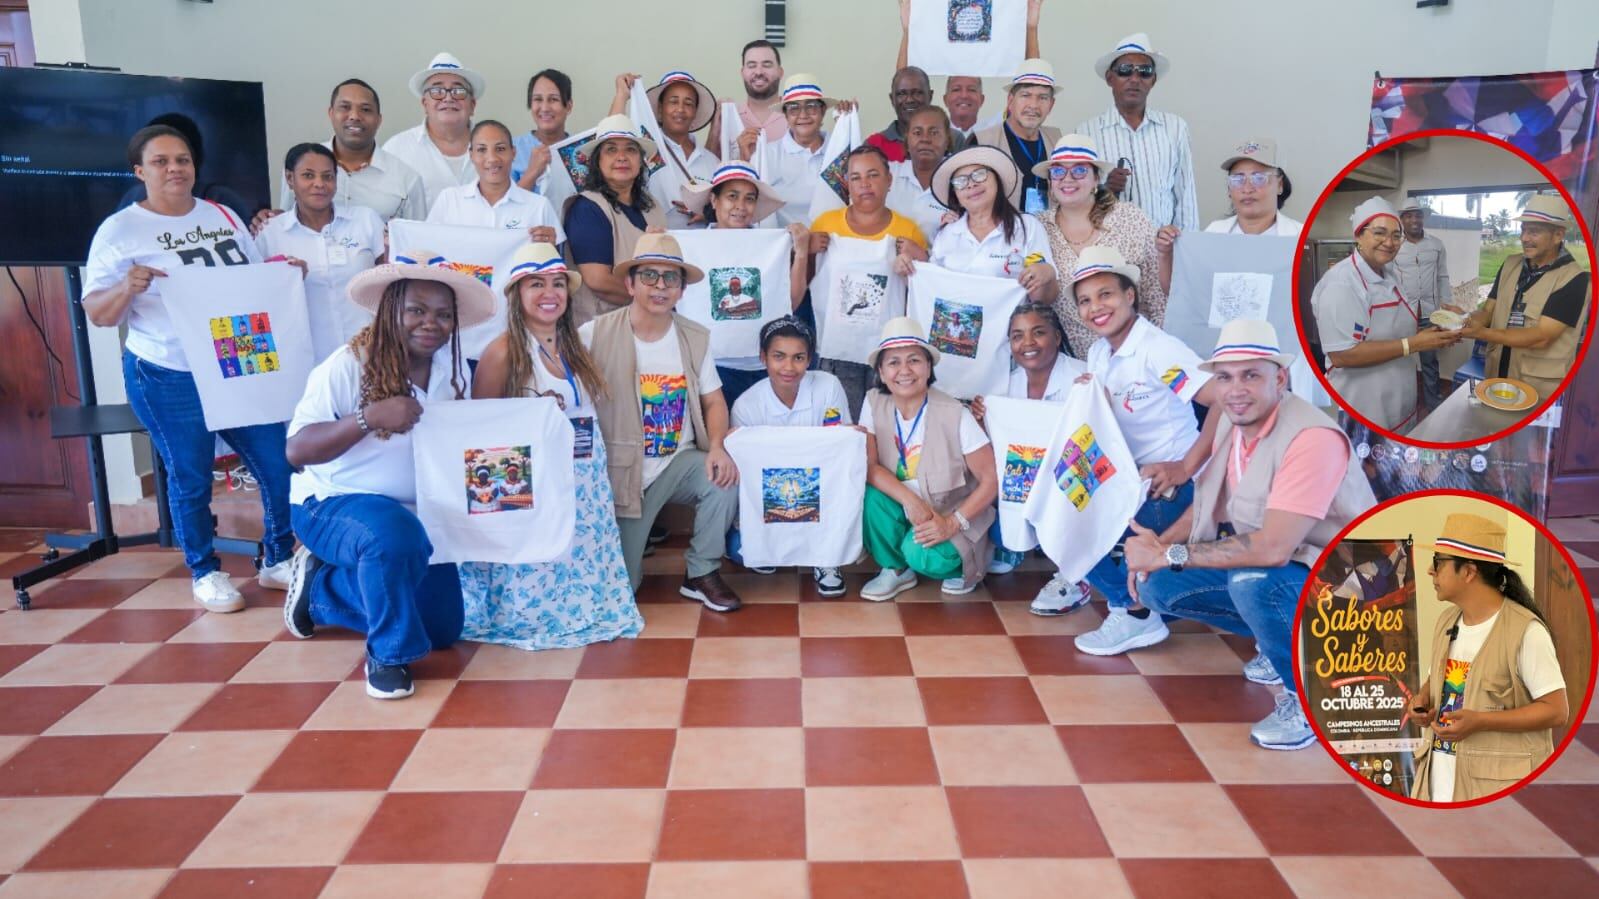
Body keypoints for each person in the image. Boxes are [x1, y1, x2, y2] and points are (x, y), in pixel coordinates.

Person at [1121, 319, 1378, 750]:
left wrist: (1170, 554)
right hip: (1297, 569)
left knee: (1253, 582)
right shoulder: (1231, 422)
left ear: (1280, 378)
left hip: (1354, 585)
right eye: (1224, 377)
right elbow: (1206, 507)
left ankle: (1313, 695)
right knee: (1159, 587)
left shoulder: (1310, 437)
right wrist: (1161, 549)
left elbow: (1272, 547)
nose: (1235, 389)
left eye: (1251, 375)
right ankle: (1285, 644)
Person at [83, 125, 297, 613]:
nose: (175, 169)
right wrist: (127, 288)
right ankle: (204, 570)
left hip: (235, 360)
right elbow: (98, 314)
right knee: (191, 475)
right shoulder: (120, 231)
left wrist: (281, 271)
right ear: (140, 172)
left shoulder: (221, 214)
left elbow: (247, 281)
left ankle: (279, 557)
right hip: (168, 370)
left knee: (276, 462)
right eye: (160, 162)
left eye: (182, 159)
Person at [281, 251, 487, 699]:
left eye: (442, 315)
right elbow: (296, 451)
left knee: (441, 629)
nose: (429, 323)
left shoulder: (454, 371)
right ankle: (389, 657)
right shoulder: (347, 364)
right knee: (391, 534)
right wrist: (366, 418)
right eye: (415, 310)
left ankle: (320, 589)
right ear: (390, 310)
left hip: (421, 512)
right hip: (335, 503)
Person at [463, 243, 645, 650]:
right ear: (517, 294)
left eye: (558, 284)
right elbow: (481, 435)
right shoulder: (504, 351)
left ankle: (576, 611)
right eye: (536, 284)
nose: (550, 293)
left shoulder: (574, 346)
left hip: (581, 481)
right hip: (536, 485)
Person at [1060, 246, 1230, 660]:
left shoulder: (1157, 349)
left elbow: (1224, 399)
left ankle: (1135, 612)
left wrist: (1185, 466)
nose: (1095, 307)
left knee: (1086, 524)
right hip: (1128, 478)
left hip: (1170, 488)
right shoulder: (1101, 351)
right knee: (1061, 513)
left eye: (1106, 295)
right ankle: (1141, 603)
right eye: (1085, 300)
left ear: (1130, 295)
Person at [579, 234, 744, 611]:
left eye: (671, 279)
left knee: (723, 478)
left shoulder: (694, 337)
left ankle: (701, 571)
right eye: (650, 276)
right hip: (620, 472)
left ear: (682, 290)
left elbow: (713, 400)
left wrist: (717, 446)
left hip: (678, 462)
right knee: (622, 590)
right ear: (630, 284)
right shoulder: (593, 334)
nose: (659, 286)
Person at [1408, 512, 1567, 802]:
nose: (1431, 572)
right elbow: (1437, 679)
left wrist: (1481, 721)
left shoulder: (1525, 631)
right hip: (1438, 783)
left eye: (1438, 563)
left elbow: (1557, 711)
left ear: (1468, 572)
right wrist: (1422, 702)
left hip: (1497, 790)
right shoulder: (1447, 620)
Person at [858, 317, 998, 600]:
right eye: (893, 362)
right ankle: (896, 570)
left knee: (923, 556)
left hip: (952, 511)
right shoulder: (874, 401)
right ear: (881, 372)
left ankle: (961, 566)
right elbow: (870, 467)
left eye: (914, 360)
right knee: (870, 496)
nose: (904, 371)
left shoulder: (955, 412)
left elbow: (992, 480)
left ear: (929, 367)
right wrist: (912, 502)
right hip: (911, 508)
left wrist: (952, 523)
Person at [968, 302, 1090, 611]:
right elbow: (996, 444)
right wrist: (982, 419)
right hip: (1025, 477)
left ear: (1057, 337)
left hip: (1073, 477)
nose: (1028, 344)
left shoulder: (1083, 377)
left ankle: (1075, 575)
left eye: (1038, 333)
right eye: (1017, 336)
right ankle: (1014, 545)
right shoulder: (1005, 382)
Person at [1312, 197, 1459, 434]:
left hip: (1397, 399)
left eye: (1396, 235)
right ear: (1358, 235)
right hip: (1364, 406)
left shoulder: (1389, 274)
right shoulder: (1342, 284)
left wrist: (1432, 336)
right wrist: (1414, 344)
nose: (1389, 243)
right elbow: (1342, 354)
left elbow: (1393, 328)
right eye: (1379, 233)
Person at [729, 316, 854, 596]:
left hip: (822, 489)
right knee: (739, 551)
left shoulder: (828, 386)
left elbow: (838, 447)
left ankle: (827, 560)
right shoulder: (746, 405)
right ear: (763, 358)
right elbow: (747, 469)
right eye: (779, 357)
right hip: (770, 494)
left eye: (798, 357)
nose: (788, 367)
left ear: (810, 359)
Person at [810, 145, 932, 415]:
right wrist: (806, 250)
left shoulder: (907, 230)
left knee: (888, 422)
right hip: (837, 351)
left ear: (889, 181)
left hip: (890, 353)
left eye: (873, 175)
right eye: (855, 177)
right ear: (847, 184)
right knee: (843, 425)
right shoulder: (824, 224)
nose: (865, 184)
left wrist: (920, 259)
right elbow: (807, 282)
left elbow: (923, 295)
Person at [681, 162, 809, 405]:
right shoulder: (690, 244)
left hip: (761, 367)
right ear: (714, 200)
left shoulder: (770, 245)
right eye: (732, 196)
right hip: (710, 367)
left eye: (749, 198)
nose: (741, 206)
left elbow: (789, 302)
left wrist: (801, 253)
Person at [1033, 135, 1168, 357]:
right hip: (1071, 364)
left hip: (1136, 356)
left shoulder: (1129, 218)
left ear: (1096, 179)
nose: (1067, 179)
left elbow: (1156, 295)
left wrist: (1158, 353)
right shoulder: (1038, 227)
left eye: (1079, 171)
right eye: (1058, 171)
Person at [255, 143, 386, 362]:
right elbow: (259, 298)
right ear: (289, 179)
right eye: (308, 175)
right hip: (307, 358)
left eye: (327, 176)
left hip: (369, 352)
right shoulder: (271, 233)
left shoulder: (365, 220)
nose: (319, 184)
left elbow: (391, 279)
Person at [255, 80, 428, 234]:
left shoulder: (407, 179)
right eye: (345, 107)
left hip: (378, 268)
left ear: (378, 119)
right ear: (331, 113)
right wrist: (269, 219)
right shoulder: (301, 164)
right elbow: (286, 221)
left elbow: (416, 241)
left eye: (366, 109)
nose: (354, 116)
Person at [1464, 194, 1591, 403]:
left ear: (1558, 235)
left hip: (1538, 388)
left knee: (1528, 436)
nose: (1524, 238)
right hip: (1497, 375)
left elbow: (1542, 336)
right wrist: (1465, 320)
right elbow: (1488, 311)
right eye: (1523, 230)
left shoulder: (1574, 279)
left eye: (1534, 231)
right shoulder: (1510, 264)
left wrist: (1482, 333)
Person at [1076, 33, 1197, 232]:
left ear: (1153, 80)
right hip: (1106, 250)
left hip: (1163, 250)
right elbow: (1074, 201)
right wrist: (1104, 189)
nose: (1134, 79)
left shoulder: (1175, 128)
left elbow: (1186, 198)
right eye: (1125, 70)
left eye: (1144, 71)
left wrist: (1187, 252)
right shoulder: (1086, 133)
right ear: (1110, 78)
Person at [562, 115, 669, 325]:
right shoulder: (586, 208)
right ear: (597, 160)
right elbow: (599, 281)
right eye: (611, 149)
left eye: (630, 149)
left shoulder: (653, 207)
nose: (621, 157)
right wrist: (658, 300)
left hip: (649, 325)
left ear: (641, 160)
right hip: (601, 330)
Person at [893, 0, 1044, 142]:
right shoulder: (931, 128)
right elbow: (905, 85)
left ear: (982, 99)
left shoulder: (997, 128)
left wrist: (1031, 28)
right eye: (956, 89)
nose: (964, 95)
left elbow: (1031, 91)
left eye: (971, 89)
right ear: (945, 99)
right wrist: (909, 30)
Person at [921, 145, 1057, 301]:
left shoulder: (1027, 226)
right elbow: (931, 287)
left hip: (1013, 325)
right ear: (955, 194)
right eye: (960, 181)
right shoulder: (947, 234)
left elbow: (1045, 300)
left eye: (979, 175)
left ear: (997, 179)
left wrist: (1047, 274)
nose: (971, 184)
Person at [609, 71, 721, 228]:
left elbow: (726, 206)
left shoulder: (712, 161)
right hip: (655, 246)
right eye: (673, 102)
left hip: (701, 249)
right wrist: (621, 96)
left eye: (688, 103)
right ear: (660, 109)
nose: (680, 109)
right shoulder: (645, 149)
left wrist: (708, 214)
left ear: (695, 112)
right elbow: (610, 138)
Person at [427, 119, 564, 244]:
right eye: (481, 150)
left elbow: (558, 263)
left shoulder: (539, 206)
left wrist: (550, 247)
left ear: (513, 153)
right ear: (471, 155)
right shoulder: (449, 200)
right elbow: (428, 250)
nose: (492, 159)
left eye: (500, 149)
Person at [382, 52, 484, 206]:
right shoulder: (396, 149)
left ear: (472, 105)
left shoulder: (497, 146)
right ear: (425, 104)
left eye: (458, 91)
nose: (448, 98)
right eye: (437, 92)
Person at [968, 59, 1063, 216]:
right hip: (999, 236)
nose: (1033, 105)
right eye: (1026, 95)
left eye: (1043, 97)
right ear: (1010, 101)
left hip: (1047, 237)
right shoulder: (981, 141)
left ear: (1051, 104)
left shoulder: (1058, 140)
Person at [1392, 198, 1451, 411]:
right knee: (1401, 360)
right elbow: (1388, 279)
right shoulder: (1395, 246)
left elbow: (1443, 277)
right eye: (1409, 216)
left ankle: (1433, 403)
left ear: (1422, 218)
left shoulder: (1436, 245)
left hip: (1429, 314)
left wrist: (1447, 308)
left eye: (1417, 215)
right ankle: (1405, 403)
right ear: (1402, 220)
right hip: (1403, 313)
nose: (1414, 219)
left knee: (1429, 362)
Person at [887, 105, 957, 243]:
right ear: (907, 141)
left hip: (940, 263)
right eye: (917, 133)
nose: (925, 139)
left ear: (947, 140)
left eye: (934, 132)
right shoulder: (887, 174)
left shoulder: (961, 180)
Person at [1203, 139, 1301, 236]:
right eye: (1238, 179)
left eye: (1259, 178)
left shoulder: (1301, 235)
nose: (1247, 189)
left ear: (1280, 185)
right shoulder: (1212, 233)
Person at [511, 68, 574, 196]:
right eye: (538, 99)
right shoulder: (510, 149)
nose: (544, 108)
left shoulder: (580, 151)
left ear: (568, 106)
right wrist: (532, 172)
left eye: (553, 99)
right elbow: (505, 207)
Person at [867, 66, 932, 163]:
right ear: (892, 99)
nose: (909, 99)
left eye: (917, 93)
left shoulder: (951, 138)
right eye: (901, 94)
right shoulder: (874, 145)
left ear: (930, 96)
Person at [734, 39, 788, 142]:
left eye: (767, 65)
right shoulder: (731, 117)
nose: (759, 72)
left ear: (780, 72)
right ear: (742, 73)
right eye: (751, 66)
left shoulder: (798, 116)